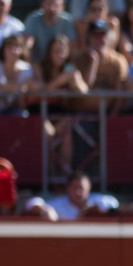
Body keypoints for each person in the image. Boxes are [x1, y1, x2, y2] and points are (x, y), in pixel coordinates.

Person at [34, 33, 85, 176]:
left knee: (66, 134)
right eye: (56, 51)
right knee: (48, 134)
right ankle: (49, 176)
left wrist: (76, 81)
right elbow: (42, 91)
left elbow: (84, 91)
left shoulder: (70, 69)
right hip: (41, 111)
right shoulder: (40, 67)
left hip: (61, 111)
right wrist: (59, 81)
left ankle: (64, 176)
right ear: (49, 52)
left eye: (62, 51)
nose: (59, 55)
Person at [75, 18, 128, 111]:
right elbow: (84, 89)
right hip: (82, 113)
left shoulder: (118, 61)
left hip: (108, 113)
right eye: (95, 35)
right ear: (89, 38)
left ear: (108, 38)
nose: (98, 39)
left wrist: (112, 118)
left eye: (102, 35)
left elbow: (121, 94)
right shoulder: (79, 59)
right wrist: (93, 62)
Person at [26, 171, 120, 219]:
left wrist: (90, 208)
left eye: (81, 188)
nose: (78, 192)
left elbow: (113, 203)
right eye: (75, 188)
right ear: (68, 189)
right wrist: (44, 210)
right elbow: (31, 203)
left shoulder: (93, 199)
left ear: (88, 190)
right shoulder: (60, 204)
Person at [0, 33, 35, 113]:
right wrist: (21, 86)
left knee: (23, 114)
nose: (13, 51)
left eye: (16, 47)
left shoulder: (26, 69)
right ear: (3, 50)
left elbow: (23, 102)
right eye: (9, 48)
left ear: (22, 50)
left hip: (13, 111)